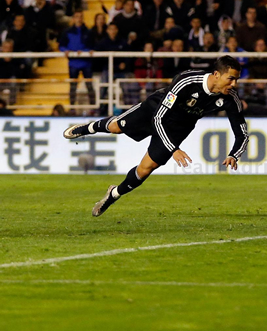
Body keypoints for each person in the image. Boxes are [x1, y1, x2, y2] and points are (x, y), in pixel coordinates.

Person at [63, 56, 249, 217]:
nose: (234, 85)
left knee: (145, 169)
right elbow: (158, 117)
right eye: (231, 79)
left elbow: (242, 132)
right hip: (156, 109)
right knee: (117, 127)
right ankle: (88, 128)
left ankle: (113, 195)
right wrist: (173, 149)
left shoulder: (230, 98)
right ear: (217, 74)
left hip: (179, 128)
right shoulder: (187, 81)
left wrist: (234, 154)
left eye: (236, 80)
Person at [59, 10, 95, 105]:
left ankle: (94, 107)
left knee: (89, 85)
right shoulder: (67, 32)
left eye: (80, 17)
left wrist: (85, 52)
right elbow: (61, 45)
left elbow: (92, 47)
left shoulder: (88, 31)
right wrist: (66, 50)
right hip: (73, 63)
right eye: (77, 17)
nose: (79, 19)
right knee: (73, 86)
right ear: (74, 19)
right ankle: (72, 107)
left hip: (86, 62)